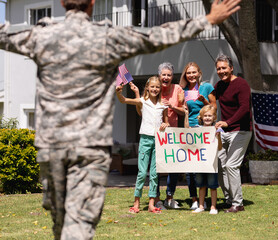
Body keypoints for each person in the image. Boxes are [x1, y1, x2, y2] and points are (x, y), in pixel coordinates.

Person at [0, 0, 241, 238]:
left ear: (62, 3)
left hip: (52, 147)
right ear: (92, 3)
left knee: (61, 220)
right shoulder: (107, 36)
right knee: (80, 224)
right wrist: (207, 19)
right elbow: (157, 36)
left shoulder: (42, 35)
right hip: (89, 149)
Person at [116, 77, 169, 214]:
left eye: (157, 87)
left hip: (158, 140)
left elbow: (166, 121)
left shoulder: (163, 104)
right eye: (152, 87)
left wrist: (165, 124)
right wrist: (118, 93)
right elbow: (123, 100)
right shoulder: (142, 101)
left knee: (154, 174)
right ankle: (136, 203)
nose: (155, 89)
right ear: (147, 87)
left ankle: (152, 203)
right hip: (145, 139)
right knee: (141, 173)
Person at [214, 54, 252, 213]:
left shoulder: (241, 84)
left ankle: (238, 203)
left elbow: (244, 108)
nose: (221, 71)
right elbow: (210, 99)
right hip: (224, 132)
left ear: (231, 68)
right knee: (220, 165)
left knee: (231, 165)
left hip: (241, 131)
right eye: (218, 69)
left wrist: (228, 122)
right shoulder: (219, 85)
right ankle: (229, 199)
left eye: (224, 68)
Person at [179, 62, 217, 209]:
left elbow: (214, 108)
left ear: (199, 73)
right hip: (190, 129)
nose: (191, 75)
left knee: (205, 163)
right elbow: (182, 108)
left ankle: (206, 200)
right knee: (190, 167)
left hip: (205, 129)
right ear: (185, 75)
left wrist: (204, 101)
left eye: (194, 72)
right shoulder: (183, 90)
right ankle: (195, 199)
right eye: (188, 73)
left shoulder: (206, 87)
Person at [155, 62, 185, 209]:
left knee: (173, 168)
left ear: (172, 77)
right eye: (163, 74)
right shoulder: (154, 88)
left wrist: (172, 106)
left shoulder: (178, 89)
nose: (166, 77)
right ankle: (156, 199)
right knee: (156, 168)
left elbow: (183, 111)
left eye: (169, 75)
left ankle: (170, 197)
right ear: (159, 76)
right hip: (157, 134)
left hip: (173, 134)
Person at [191, 105, 222, 215]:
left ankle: (213, 207)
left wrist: (218, 136)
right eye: (205, 116)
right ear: (201, 117)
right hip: (199, 162)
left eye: (210, 116)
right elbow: (186, 133)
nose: (207, 118)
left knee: (213, 185)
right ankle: (201, 206)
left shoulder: (216, 130)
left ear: (214, 117)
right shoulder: (197, 129)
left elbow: (219, 147)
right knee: (201, 185)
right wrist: (186, 115)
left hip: (211, 163)